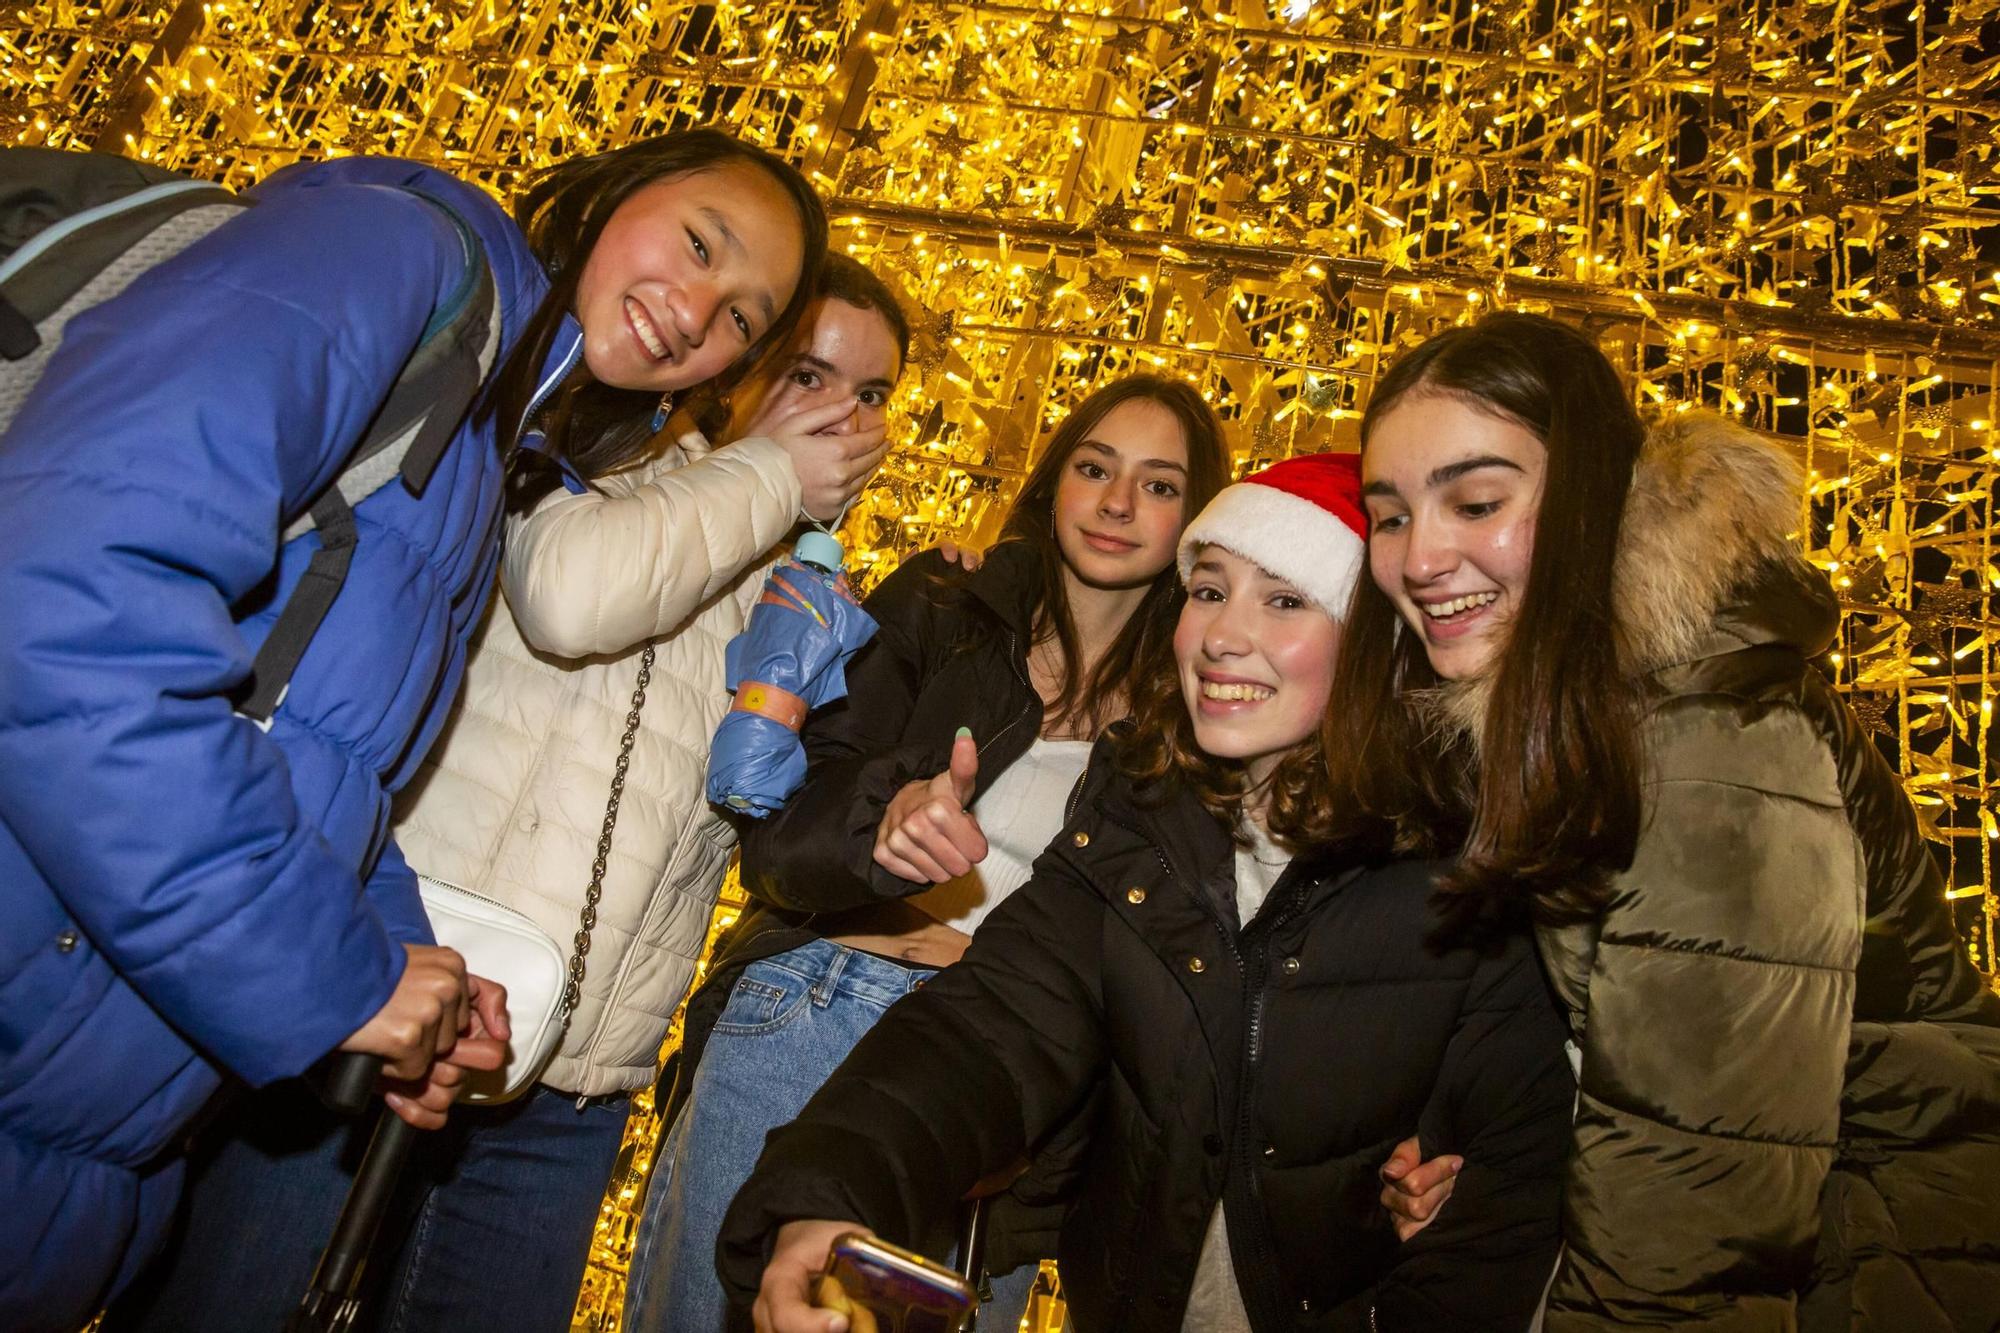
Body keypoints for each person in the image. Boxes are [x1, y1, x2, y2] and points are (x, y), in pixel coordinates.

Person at [97, 130, 831, 1333]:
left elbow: (337, 766)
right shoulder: (418, 267)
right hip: (245, 987)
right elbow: (93, 630)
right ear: (611, 194)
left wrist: (390, 950)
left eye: (744, 315)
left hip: (470, 1023)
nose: (698, 308)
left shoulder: (501, 442)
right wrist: (341, 971)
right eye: (698, 243)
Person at [718, 452, 1577, 1333]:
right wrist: (826, 1200)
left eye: (1284, 600)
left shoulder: (1467, 869)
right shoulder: (1140, 813)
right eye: (1209, 590)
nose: (1221, 635)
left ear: (1372, 641)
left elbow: (1507, 1197)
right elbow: (992, 1027)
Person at [1344, 312, 2000, 1330]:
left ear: (1590, 493)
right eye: (1387, 515)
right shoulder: (1576, 703)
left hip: (1889, 1241)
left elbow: (1694, 1217)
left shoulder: (1697, 733)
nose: (1420, 556)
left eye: (1475, 500)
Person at [349, 252, 905, 1333]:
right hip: (402, 1002)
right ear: (736, 361)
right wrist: (773, 475)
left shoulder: (800, 581)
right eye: (808, 372)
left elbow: (761, 827)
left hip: (575, 1080)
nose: (841, 415)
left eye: (870, 395)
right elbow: (569, 600)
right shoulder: (592, 455)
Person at [623, 373, 1233, 1332]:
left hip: (1004, 1092)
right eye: (1095, 467)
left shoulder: (1197, 713)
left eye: (1160, 485)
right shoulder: (945, 603)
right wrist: (884, 825)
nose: (1118, 503)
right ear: (1053, 480)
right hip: (819, 1013)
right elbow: (778, 844)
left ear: (1195, 523)